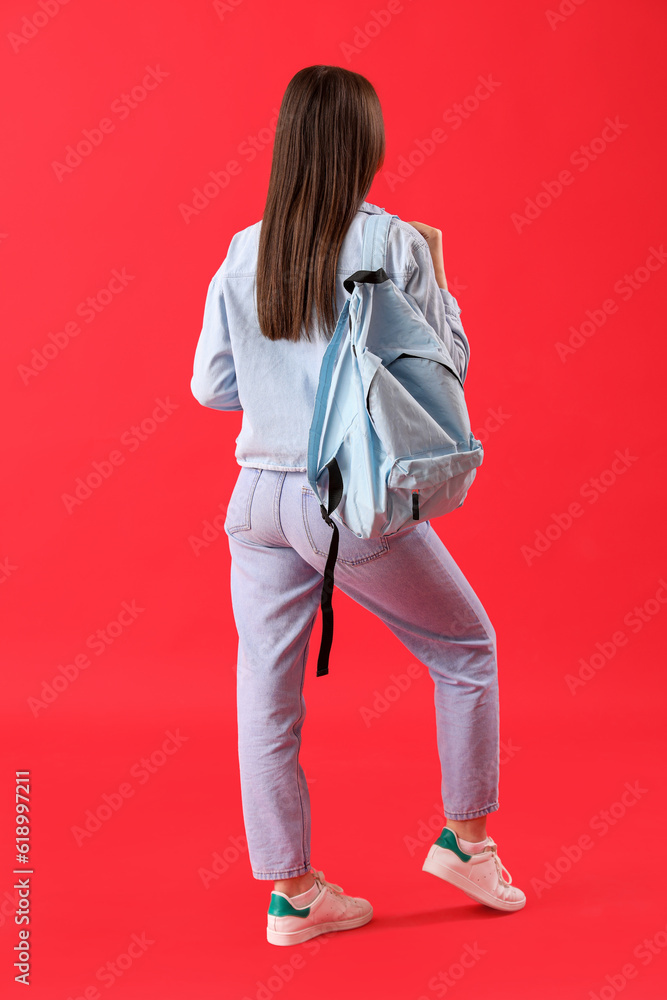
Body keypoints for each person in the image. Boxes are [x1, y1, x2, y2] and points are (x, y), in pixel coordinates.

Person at [190, 64, 526, 947]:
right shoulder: (392, 244)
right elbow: (439, 374)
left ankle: (291, 895)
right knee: (465, 648)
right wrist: (440, 266)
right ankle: (467, 839)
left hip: (254, 499)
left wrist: (282, 386)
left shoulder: (243, 247)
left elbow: (210, 386)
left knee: (263, 697)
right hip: (344, 497)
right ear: (365, 146)